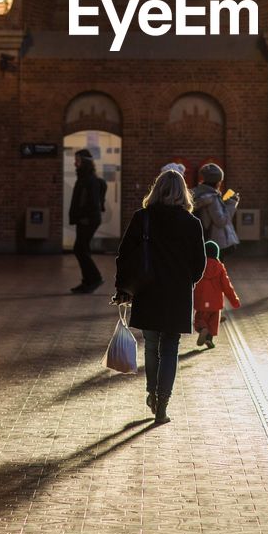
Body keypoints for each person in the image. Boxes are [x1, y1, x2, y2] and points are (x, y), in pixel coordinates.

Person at [114, 169, 206, 425]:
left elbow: (124, 255)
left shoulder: (142, 218)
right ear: (182, 193)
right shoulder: (191, 223)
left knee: (152, 345)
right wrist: (186, 281)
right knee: (170, 348)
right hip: (176, 294)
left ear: (156, 190)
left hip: (147, 290)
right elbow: (199, 264)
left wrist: (123, 287)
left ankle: (151, 394)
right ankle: (162, 405)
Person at [68, 148, 105, 293]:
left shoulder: (90, 181)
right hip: (84, 219)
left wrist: (84, 217)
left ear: (84, 163)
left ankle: (95, 278)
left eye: (77, 161)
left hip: (88, 220)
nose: (75, 164)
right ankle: (88, 281)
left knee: (80, 249)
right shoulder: (84, 178)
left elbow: (92, 203)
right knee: (82, 249)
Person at [193, 240, 240, 348]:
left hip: (201, 302)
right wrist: (234, 301)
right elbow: (227, 286)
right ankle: (209, 339)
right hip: (215, 304)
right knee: (213, 323)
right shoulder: (220, 267)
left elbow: (192, 283)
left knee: (200, 319)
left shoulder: (199, 266)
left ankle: (202, 329)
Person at [191, 163, 239, 255]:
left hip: (203, 240)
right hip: (216, 243)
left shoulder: (197, 194)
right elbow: (221, 221)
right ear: (217, 182)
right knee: (215, 268)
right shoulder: (212, 198)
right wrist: (231, 204)